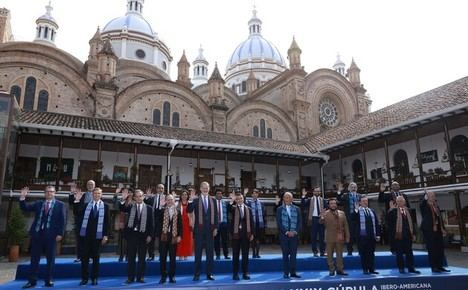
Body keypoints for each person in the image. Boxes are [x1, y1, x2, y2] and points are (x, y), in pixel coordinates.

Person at [19, 186, 66, 289]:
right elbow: (25, 208)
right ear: (44, 193)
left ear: (55, 193)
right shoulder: (38, 203)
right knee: (34, 259)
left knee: (50, 259)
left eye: (51, 192)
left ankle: (48, 280)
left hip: (51, 236)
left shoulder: (60, 205)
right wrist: (22, 198)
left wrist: (60, 234)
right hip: (37, 235)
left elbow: (62, 221)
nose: (49, 193)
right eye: (47, 192)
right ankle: (32, 281)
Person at [73, 187, 110, 286]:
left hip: (98, 237)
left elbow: (107, 222)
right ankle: (84, 278)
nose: (97, 195)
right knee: (84, 258)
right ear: (92, 195)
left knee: (96, 259)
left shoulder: (105, 206)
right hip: (86, 237)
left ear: (101, 195)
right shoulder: (86, 205)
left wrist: (106, 235)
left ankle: (94, 278)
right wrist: (76, 200)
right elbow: (77, 213)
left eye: (99, 193)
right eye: (95, 193)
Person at [119, 189, 154, 284]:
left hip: (143, 236)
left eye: (140, 196)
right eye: (137, 196)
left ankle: (141, 277)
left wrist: (150, 235)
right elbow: (122, 208)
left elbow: (151, 224)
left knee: (142, 258)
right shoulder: (130, 206)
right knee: (131, 258)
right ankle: (130, 278)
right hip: (132, 236)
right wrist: (123, 200)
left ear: (143, 197)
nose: (138, 198)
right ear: (134, 198)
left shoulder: (149, 208)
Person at [187, 181, 218, 281]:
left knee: (210, 254)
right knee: (198, 254)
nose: (205, 189)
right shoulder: (195, 200)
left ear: (209, 189)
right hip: (199, 231)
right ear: (200, 188)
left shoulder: (213, 200)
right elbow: (189, 210)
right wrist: (190, 200)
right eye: (203, 187)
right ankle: (197, 274)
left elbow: (216, 216)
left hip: (210, 231)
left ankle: (210, 273)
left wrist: (216, 228)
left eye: (207, 187)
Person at [387, 196, 420, 274]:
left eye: (401, 201)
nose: (400, 202)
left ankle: (411, 268)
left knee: (409, 252)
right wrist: (390, 210)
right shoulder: (393, 211)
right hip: (398, 236)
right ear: (396, 203)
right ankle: (401, 268)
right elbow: (389, 222)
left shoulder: (409, 210)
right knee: (399, 253)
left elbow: (413, 223)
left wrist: (414, 234)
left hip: (408, 236)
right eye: (398, 201)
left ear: (404, 202)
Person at [420, 191, 450, 273]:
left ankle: (440, 266)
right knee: (432, 249)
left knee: (440, 249)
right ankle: (434, 267)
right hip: (429, 231)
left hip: (438, 230)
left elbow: (439, 219)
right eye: (431, 196)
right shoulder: (424, 206)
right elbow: (422, 204)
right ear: (427, 197)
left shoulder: (436, 206)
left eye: (434, 196)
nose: (433, 197)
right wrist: (424, 199)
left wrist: (443, 229)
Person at [320, 198, 349, 276]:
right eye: (331, 203)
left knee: (340, 255)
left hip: (340, 237)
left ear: (336, 204)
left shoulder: (342, 213)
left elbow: (346, 225)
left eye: (334, 203)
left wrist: (347, 237)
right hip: (329, 238)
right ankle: (331, 270)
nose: (333, 205)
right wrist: (322, 217)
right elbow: (321, 222)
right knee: (329, 255)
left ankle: (340, 270)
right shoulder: (325, 213)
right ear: (329, 205)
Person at [351, 195, 380, 274]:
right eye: (363, 201)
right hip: (362, 237)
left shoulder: (372, 211)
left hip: (371, 236)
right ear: (360, 202)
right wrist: (356, 210)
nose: (365, 202)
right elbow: (352, 218)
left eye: (366, 201)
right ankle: (365, 269)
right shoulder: (357, 211)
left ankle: (372, 269)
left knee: (371, 253)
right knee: (363, 254)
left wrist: (377, 234)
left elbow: (376, 223)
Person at [378, 182, 410, 253]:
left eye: (397, 184)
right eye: (394, 185)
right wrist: (381, 191)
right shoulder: (388, 195)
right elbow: (380, 200)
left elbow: (408, 206)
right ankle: (394, 249)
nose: (395, 186)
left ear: (399, 186)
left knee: (404, 234)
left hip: (403, 217)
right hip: (392, 218)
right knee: (393, 234)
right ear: (391, 187)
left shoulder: (404, 195)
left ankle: (404, 249)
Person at [157, 194, 182, 284]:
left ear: (174, 200)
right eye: (168, 199)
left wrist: (179, 236)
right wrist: (159, 235)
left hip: (173, 237)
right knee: (162, 257)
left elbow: (180, 225)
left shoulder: (178, 211)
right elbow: (158, 223)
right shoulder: (162, 210)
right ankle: (163, 276)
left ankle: (172, 276)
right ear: (166, 201)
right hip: (164, 236)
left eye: (171, 199)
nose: (170, 201)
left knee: (172, 258)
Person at [276, 192, 302, 279]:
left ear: (292, 199)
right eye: (285, 197)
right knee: (285, 255)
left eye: (289, 197)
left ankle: (293, 272)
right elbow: (279, 223)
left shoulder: (297, 209)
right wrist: (286, 232)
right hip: (284, 236)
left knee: (293, 255)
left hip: (294, 236)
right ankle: (286, 273)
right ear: (283, 199)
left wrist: (295, 232)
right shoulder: (279, 209)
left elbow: (300, 222)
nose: (287, 199)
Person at [69, 180, 95, 263]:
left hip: (92, 221)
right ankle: (80, 257)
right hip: (81, 220)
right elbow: (72, 203)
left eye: (92, 184)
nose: (90, 185)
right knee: (80, 239)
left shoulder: (97, 195)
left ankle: (90, 257)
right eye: (88, 184)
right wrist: (72, 194)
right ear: (86, 185)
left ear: (94, 186)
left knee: (91, 239)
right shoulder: (82, 195)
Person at [231, 193, 254, 280]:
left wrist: (252, 234)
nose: (239, 200)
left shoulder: (249, 209)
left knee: (245, 255)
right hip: (236, 236)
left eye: (240, 198)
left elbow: (252, 222)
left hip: (246, 235)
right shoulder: (233, 209)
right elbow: (229, 209)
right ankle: (235, 273)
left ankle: (245, 273)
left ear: (243, 199)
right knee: (235, 255)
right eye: (237, 199)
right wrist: (231, 201)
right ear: (236, 200)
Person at [337, 182, 361, 255]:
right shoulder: (345, 196)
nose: (353, 188)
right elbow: (339, 202)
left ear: (356, 188)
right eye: (352, 187)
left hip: (358, 217)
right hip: (349, 218)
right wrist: (339, 192)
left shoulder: (360, 196)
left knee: (359, 235)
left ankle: (360, 250)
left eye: (354, 187)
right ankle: (349, 251)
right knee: (349, 234)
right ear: (349, 188)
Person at [301, 187, 326, 257]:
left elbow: (326, 209)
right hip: (313, 219)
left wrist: (323, 214)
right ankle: (315, 251)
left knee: (322, 236)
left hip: (321, 219)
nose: (317, 192)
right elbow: (302, 205)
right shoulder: (309, 200)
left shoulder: (323, 200)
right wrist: (303, 196)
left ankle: (322, 251)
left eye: (318, 191)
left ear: (320, 192)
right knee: (313, 237)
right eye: (316, 191)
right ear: (313, 192)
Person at [144, 184, 166, 261]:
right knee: (151, 239)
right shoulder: (151, 198)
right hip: (152, 221)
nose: (160, 190)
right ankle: (151, 255)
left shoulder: (166, 199)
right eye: (159, 188)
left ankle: (161, 256)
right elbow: (145, 204)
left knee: (161, 240)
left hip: (162, 221)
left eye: (162, 188)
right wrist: (146, 197)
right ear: (156, 189)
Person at [113, 186, 133, 262]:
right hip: (122, 222)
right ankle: (121, 255)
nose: (125, 193)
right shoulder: (121, 201)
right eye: (123, 192)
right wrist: (116, 194)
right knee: (121, 239)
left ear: (130, 193)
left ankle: (128, 256)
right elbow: (116, 206)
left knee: (129, 241)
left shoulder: (133, 201)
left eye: (127, 192)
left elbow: (129, 209)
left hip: (131, 222)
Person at [247, 189, 266, 258]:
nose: (255, 195)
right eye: (253, 193)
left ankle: (257, 253)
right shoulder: (248, 203)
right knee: (253, 239)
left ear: (258, 194)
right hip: (252, 224)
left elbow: (264, 214)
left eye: (256, 193)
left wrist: (264, 224)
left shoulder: (261, 203)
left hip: (260, 224)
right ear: (251, 195)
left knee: (258, 239)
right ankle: (253, 253)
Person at [176, 190, 193, 260]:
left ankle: (186, 255)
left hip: (188, 225)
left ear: (188, 196)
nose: (184, 196)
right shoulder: (177, 204)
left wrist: (192, 224)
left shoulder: (190, 204)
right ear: (180, 196)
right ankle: (180, 255)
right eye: (183, 194)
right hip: (179, 225)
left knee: (187, 240)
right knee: (180, 240)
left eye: (186, 195)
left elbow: (192, 215)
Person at [214, 189, 231, 260]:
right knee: (216, 240)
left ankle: (226, 255)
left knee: (225, 240)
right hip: (216, 224)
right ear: (215, 195)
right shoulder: (213, 203)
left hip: (224, 224)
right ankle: (217, 255)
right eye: (218, 193)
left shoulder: (225, 203)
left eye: (220, 193)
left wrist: (232, 201)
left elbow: (230, 210)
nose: (219, 195)